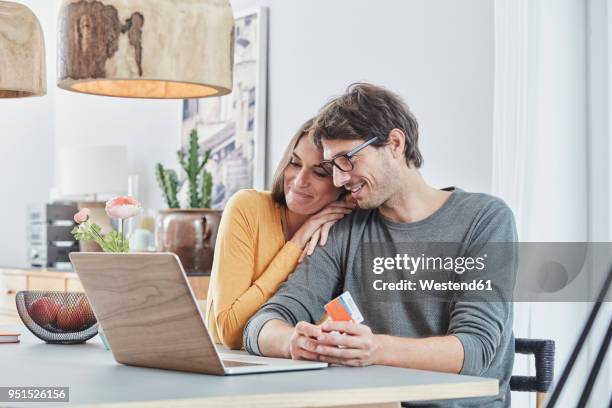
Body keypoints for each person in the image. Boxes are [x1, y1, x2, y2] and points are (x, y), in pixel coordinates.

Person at [243, 83, 517, 407]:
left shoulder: (485, 219)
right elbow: (260, 325)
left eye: (347, 160)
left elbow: (475, 351)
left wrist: (376, 350)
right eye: (333, 167)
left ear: (395, 144)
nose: (339, 180)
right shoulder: (347, 227)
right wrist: (294, 342)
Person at [205, 118, 356, 349]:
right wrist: (297, 242)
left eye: (319, 173)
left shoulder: (342, 232)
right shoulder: (247, 208)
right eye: (295, 163)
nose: (299, 180)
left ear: (341, 183)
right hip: (234, 360)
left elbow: (340, 326)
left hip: (306, 362)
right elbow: (231, 332)